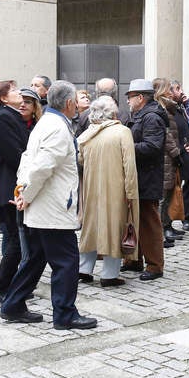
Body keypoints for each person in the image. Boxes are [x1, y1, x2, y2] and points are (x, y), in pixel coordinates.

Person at [1, 81, 97, 330]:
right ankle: (65, 314)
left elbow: (27, 160)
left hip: (43, 205)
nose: (77, 104)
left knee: (35, 259)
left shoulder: (47, 123)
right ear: (68, 103)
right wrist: (26, 194)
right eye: (75, 100)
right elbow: (41, 166)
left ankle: (12, 305)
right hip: (52, 208)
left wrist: (23, 191)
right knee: (66, 262)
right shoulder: (56, 127)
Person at [78, 97, 140, 286]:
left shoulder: (88, 134)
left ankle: (84, 269)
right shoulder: (122, 132)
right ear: (113, 113)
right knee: (115, 227)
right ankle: (109, 274)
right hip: (116, 188)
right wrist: (131, 193)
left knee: (91, 227)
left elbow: (80, 160)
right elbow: (129, 165)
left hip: (91, 189)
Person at [0, 81, 29, 302]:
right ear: (3, 98)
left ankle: (10, 284)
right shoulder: (3, 118)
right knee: (15, 242)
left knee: (18, 242)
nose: (19, 92)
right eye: (14, 90)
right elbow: (16, 155)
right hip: (7, 189)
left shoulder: (11, 116)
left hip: (11, 187)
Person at [124, 79, 166, 281]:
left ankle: (155, 265)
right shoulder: (142, 115)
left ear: (140, 98)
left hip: (147, 177)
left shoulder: (151, 117)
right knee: (135, 219)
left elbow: (152, 146)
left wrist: (126, 148)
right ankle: (134, 259)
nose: (128, 102)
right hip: (139, 175)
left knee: (149, 222)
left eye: (130, 97)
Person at [153, 77, 185, 247]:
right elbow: (166, 135)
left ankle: (165, 227)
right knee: (162, 198)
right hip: (166, 158)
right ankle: (159, 233)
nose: (172, 92)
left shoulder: (167, 107)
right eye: (169, 89)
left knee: (167, 196)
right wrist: (176, 154)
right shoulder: (161, 109)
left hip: (169, 158)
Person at [171, 79, 189, 231]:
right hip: (176, 151)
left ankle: (188, 218)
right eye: (177, 89)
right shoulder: (168, 109)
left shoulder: (186, 106)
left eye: (180, 88)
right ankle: (169, 221)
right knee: (173, 186)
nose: (181, 91)